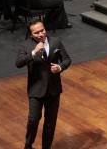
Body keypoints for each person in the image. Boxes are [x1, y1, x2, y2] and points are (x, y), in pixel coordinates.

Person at [16, 20, 71, 149]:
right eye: (37, 32)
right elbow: (18, 63)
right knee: (33, 119)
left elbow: (67, 59)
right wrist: (33, 52)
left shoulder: (56, 41)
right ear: (31, 35)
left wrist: (60, 67)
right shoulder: (25, 46)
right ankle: (28, 145)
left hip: (53, 89)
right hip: (36, 90)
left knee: (50, 122)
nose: (41, 34)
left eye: (42, 30)